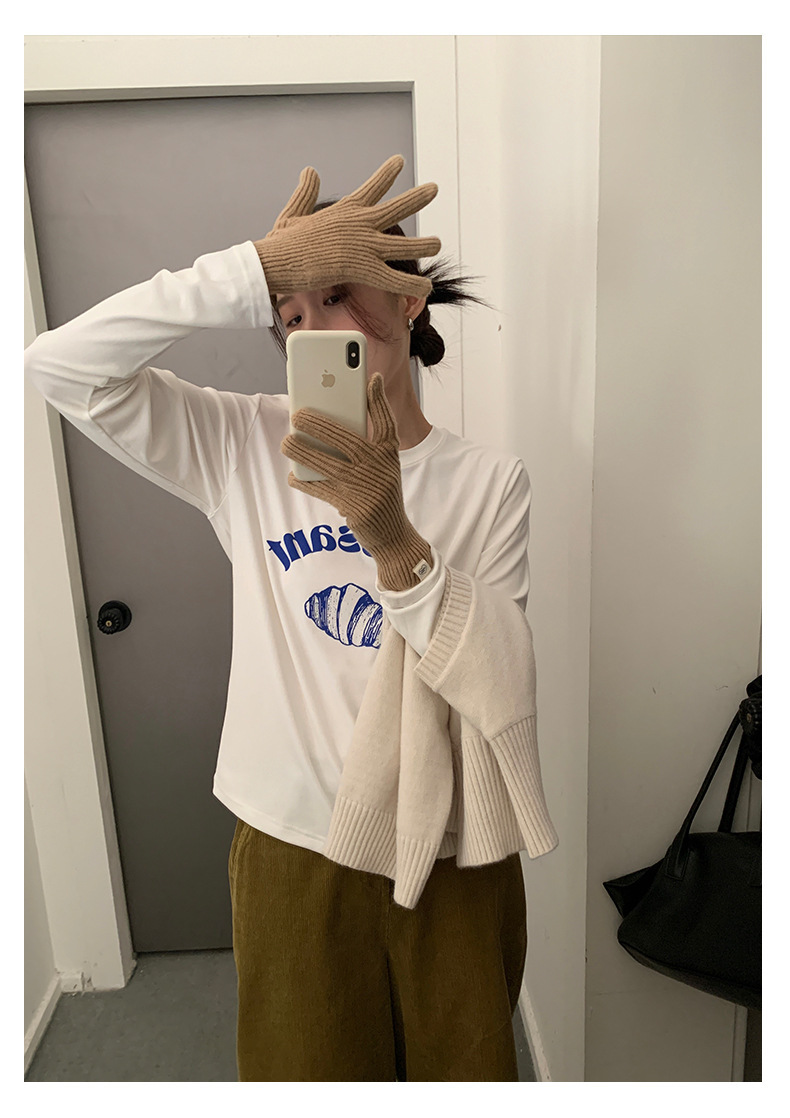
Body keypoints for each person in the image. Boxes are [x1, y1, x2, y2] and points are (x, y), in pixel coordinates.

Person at [25, 155, 542, 1081]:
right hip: (294, 845)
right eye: (292, 317)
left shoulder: (490, 482)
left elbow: (500, 678)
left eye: (339, 294)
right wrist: (253, 269)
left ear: (409, 300)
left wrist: (392, 536)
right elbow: (57, 366)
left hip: (451, 849)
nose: (315, 328)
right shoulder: (247, 443)